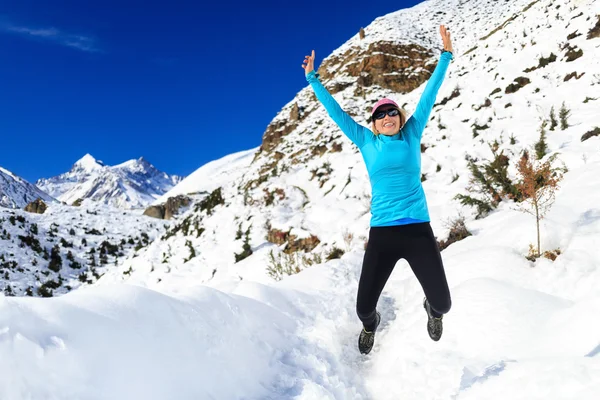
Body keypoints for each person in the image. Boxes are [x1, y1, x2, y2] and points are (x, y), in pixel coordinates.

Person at [302, 25, 454, 354]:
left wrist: (445, 55)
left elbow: (430, 92)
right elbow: (336, 113)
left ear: (400, 117)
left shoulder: (412, 132)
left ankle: (431, 309)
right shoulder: (366, 141)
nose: (387, 116)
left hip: (417, 230)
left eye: (392, 111)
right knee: (363, 309)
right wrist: (313, 78)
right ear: (373, 122)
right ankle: (372, 326)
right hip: (383, 233)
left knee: (443, 303)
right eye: (380, 113)